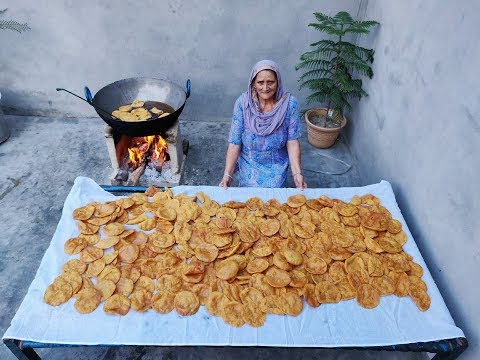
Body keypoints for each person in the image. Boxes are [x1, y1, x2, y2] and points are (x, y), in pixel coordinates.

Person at [219, 59, 307, 190]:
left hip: (276, 168)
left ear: (278, 83)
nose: (265, 88)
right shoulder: (243, 104)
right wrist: (227, 175)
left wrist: (297, 174)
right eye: (260, 82)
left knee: (274, 205)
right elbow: (234, 143)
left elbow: (292, 142)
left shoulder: (289, 105)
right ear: (253, 83)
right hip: (249, 166)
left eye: (270, 82)